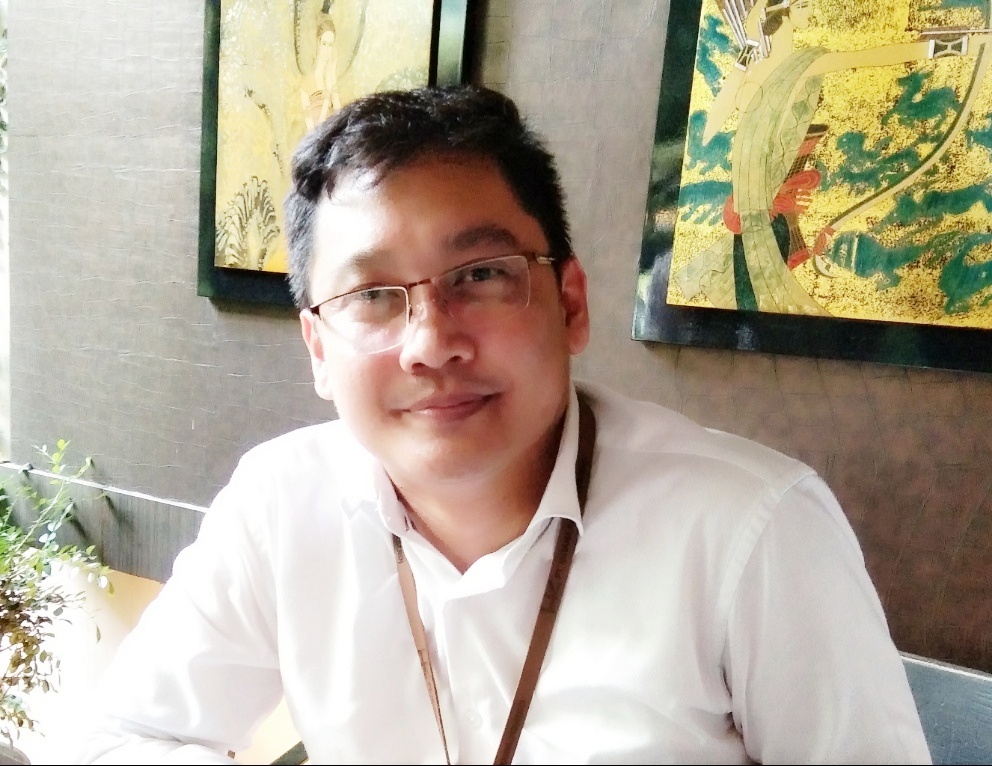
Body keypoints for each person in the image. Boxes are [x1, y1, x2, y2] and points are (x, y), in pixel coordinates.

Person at [72, 84, 931, 764]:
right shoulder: (279, 504)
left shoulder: (753, 530)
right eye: (372, 295)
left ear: (570, 303)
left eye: (480, 275)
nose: (430, 343)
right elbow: (124, 738)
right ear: (319, 350)